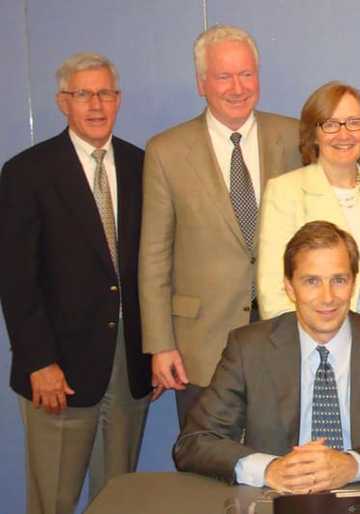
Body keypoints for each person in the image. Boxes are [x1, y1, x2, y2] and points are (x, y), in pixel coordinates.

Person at [174, 221, 360, 492]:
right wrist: (269, 469)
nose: (327, 298)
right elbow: (195, 441)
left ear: (352, 283)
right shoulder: (249, 349)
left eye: (338, 280)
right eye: (311, 281)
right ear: (290, 288)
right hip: (278, 497)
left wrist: (353, 465)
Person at [0, 53, 155, 514]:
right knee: (54, 500)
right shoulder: (27, 172)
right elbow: (15, 278)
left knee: (119, 498)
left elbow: (155, 263)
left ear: (118, 99)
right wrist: (38, 360)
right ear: (62, 101)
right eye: (82, 93)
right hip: (58, 372)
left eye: (104, 93)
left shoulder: (141, 165)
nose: (95, 104)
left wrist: (158, 347)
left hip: (129, 366)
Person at [139, 24, 302, 426]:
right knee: (208, 464)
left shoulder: (293, 137)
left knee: (281, 463)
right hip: (201, 344)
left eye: (246, 74)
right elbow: (154, 255)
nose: (237, 87)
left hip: (282, 335)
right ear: (201, 83)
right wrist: (160, 345)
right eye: (224, 76)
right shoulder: (166, 151)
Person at [257, 81, 360, 329]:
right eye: (330, 124)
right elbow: (273, 293)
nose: (344, 134)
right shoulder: (284, 192)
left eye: (354, 122)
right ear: (314, 134)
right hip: (306, 351)